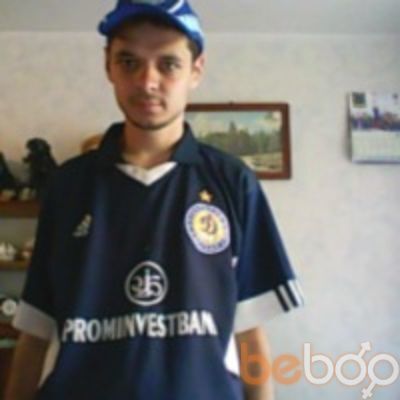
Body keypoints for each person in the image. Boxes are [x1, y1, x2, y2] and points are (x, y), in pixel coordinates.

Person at [5, 1, 304, 399]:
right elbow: (35, 333)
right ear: (108, 66)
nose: (147, 81)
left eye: (168, 64)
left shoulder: (233, 182)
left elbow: (250, 333)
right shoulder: (68, 186)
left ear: (196, 70)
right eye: (129, 61)